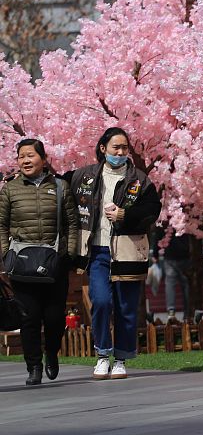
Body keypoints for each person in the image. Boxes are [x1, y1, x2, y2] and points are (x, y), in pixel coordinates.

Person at [70, 127, 162, 380]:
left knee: (126, 307)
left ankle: (120, 358)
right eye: (115, 148)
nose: (120, 152)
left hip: (127, 251)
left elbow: (153, 209)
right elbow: (58, 186)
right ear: (103, 148)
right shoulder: (84, 176)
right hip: (96, 251)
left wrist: (126, 215)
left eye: (124, 148)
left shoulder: (139, 179)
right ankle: (102, 355)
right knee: (100, 301)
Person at [0, 139, 80, 385]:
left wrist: (69, 254)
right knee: (29, 318)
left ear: (43, 160)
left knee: (55, 317)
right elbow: (2, 225)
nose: (25, 160)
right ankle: (33, 366)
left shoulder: (60, 187)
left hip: (54, 263)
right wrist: (6, 254)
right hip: (22, 264)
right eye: (21, 156)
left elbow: (73, 223)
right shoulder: (9, 190)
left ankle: (51, 353)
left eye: (30, 156)